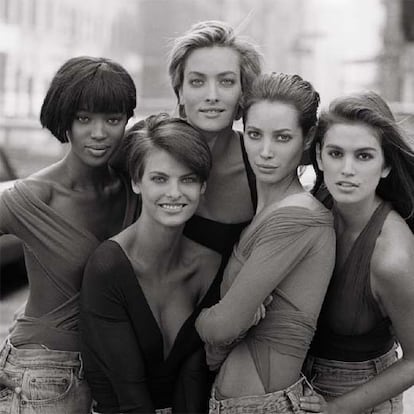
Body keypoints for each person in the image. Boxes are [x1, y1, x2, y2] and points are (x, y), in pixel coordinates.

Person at [0, 56, 138, 413]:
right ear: (65, 120)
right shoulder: (33, 196)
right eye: (84, 118)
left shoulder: (134, 187)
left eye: (113, 119)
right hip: (44, 372)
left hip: (114, 377)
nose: (99, 133)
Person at [195, 72, 336, 413]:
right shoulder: (267, 212)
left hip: (262, 405)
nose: (266, 152)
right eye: (255, 135)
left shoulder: (297, 217)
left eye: (283, 137)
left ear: (307, 139)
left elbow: (221, 327)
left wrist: (202, 321)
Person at [80, 114, 224, 414]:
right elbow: (130, 399)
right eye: (159, 179)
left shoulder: (210, 264)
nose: (174, 193)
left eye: (188, 179)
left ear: (204, 186)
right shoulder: (109, 267)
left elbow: (194, 379)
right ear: (136, 181)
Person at [300, 91, 414, 414]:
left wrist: (336, 409)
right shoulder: (317, 201)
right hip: (303, 382)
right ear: (319, 158)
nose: (346, 169)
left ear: (386, 165)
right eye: (336, 154)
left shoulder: (393, 256)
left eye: (363, 156)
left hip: (363, 394)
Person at [168, 20, 262, 257]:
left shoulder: (261, 163)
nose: (212, 96)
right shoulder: (148, 149)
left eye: (226, 81)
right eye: (197, 81)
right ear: (180, 92)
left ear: (243, 92)